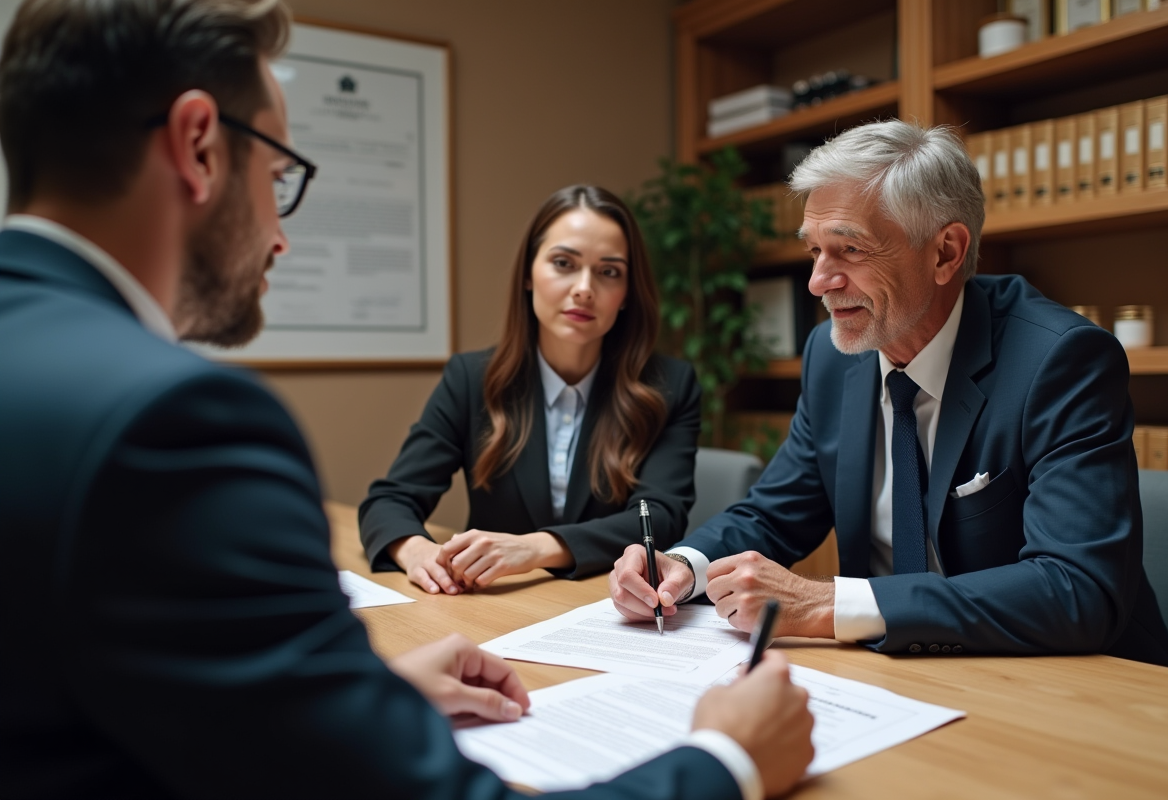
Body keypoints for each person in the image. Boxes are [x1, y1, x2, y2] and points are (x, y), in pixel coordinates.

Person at [0, 1, 815, 798]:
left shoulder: (667, 383)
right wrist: (728, 761)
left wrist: (358, 694)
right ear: (198, 147)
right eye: (279, 177)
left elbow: (140, 697)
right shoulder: (178, 424)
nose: (281, 234)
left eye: (609, 272)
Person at [609, 119, 1168, 668]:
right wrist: (681, 565)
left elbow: (1076, 588)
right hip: (896, 676)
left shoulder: (1061, 361)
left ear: (945, 254)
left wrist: (830, 605)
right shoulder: (833, 356)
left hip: (1076, 687)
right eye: (814, 251)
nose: (818, 282)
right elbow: (775, 512)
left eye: (850, 251)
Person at [359, 185, 702, 595]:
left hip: (610, 607)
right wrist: (415, 551)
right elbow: (390, 499)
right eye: (563, 263)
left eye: (609, 272)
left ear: (626, 294)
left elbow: (659, 518)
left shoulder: (669, 385)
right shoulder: (471, 378)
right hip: (495, 610)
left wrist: (534, 548)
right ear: (528, 273)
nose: (584, 288)